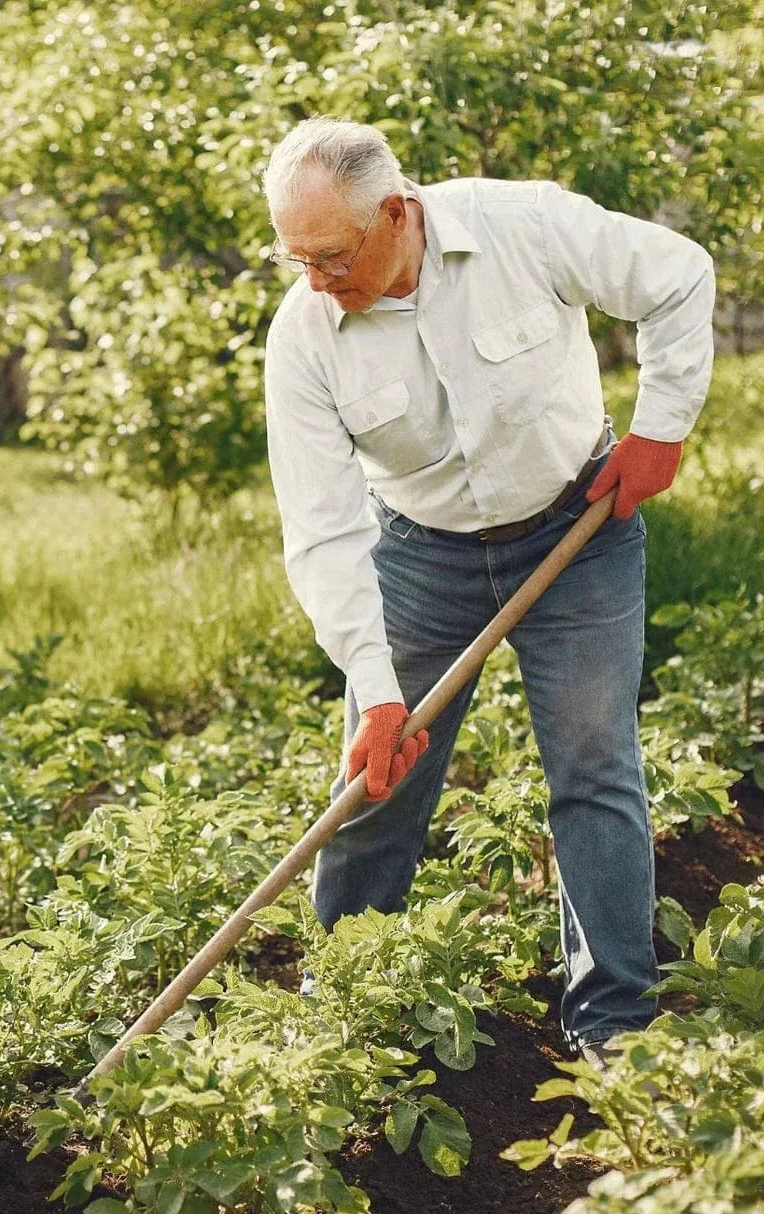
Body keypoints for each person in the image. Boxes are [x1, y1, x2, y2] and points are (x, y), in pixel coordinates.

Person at [261, 118, 715, 1065]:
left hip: (575, 529)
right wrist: (377, 690)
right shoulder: (304, 335)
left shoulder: (523, 227)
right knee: (376, 781)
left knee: (594, 768)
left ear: (397, 213)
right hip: (418, 557)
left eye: (331, 256)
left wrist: (661, 427)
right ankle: (341, 1015)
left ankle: (615, 1024)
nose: (314, 280)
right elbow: (324, 527)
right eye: (294, 257)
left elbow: (678, 275)